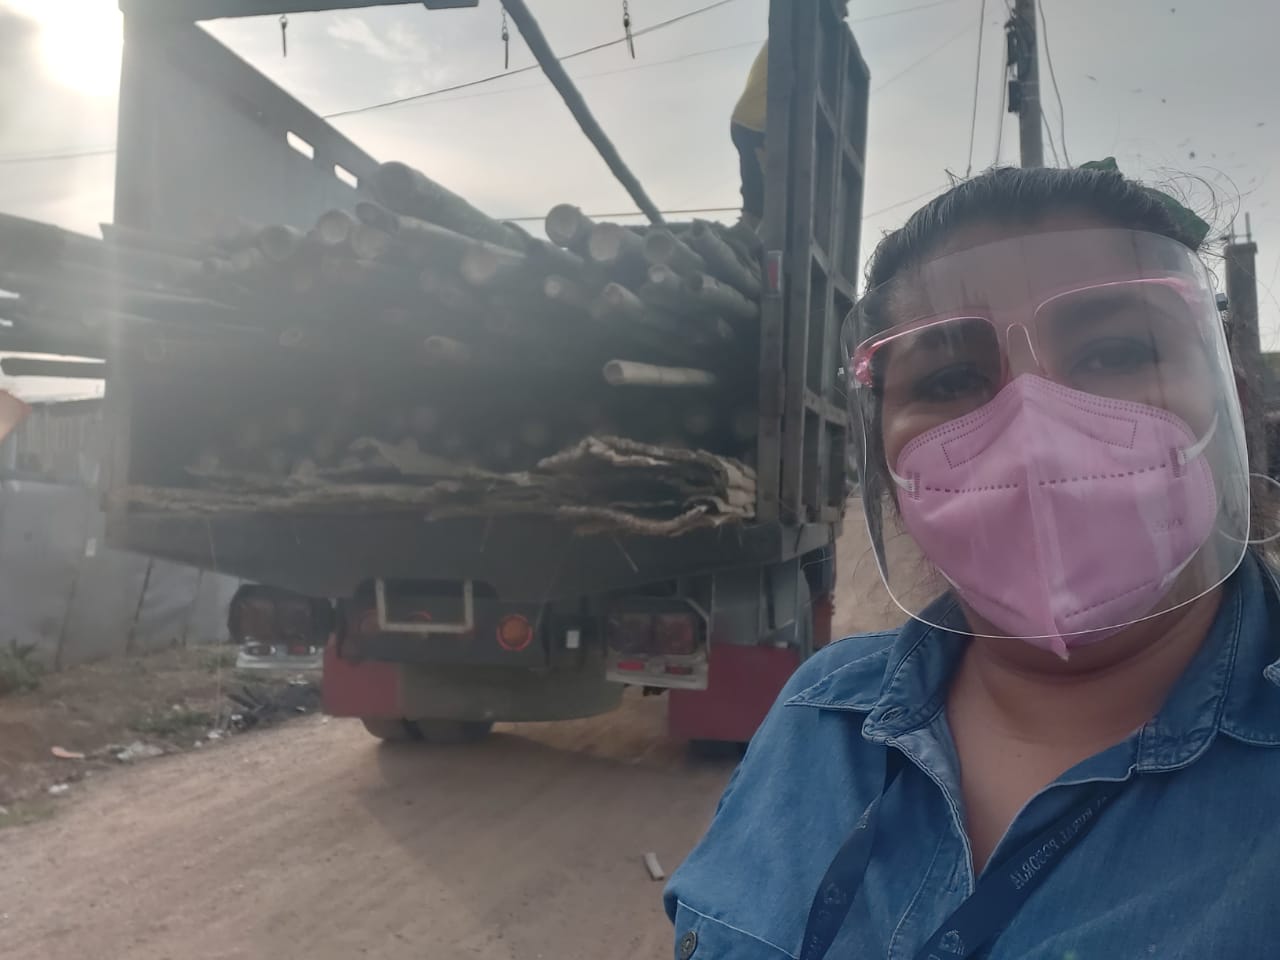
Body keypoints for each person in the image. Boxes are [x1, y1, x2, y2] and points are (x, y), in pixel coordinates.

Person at [665, 164, 1280, 959]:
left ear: (1231, 404)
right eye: (952, 378)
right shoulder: (819, 716)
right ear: (886, 462)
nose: (1033, 434)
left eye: (1116, 352)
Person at [730, 42, 768, 233]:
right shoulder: (793, 34)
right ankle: (747, 235)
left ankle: (748, 231)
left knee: (758, 189)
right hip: (753, 125)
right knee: (758, 197)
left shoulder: (780, 38)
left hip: (748, 121)